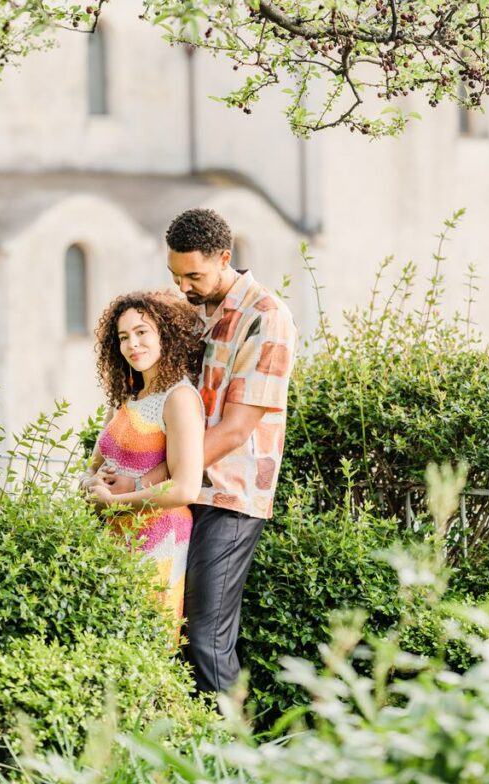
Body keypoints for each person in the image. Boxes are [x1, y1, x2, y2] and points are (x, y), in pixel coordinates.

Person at [97, 209, 297, 694]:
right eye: (175, 275)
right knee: (166, 629)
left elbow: (235, 429)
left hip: (228, 496)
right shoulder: (190, 307)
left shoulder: (265, 318)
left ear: (224, 259)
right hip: (177, 497)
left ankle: (237, 762)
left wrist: (144, 483)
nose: (183, 286)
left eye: (194, 275)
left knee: (206, 638)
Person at [80, 290, 205, 629]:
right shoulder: (125, 395)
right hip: (113, 534)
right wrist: (89, 483)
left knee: (146, 638)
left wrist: (116, 502)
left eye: (141, 332)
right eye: (123, 337)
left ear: (165, 333)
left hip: (159, 535)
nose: (132, 344)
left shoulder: (179, 398)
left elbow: (185, 488)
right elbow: (92, 464)